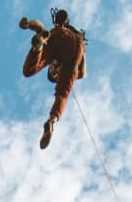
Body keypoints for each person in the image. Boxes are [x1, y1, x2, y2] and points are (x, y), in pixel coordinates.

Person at [19, 8, 86, 149]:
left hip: (66, 41)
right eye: (55, 74)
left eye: (53, 72)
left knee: (30, 70)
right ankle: (51, 121)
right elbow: (82, 73)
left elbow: (40, 27)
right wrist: (81, 52)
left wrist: (29, 24)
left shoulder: (54, 52)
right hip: (75, 46)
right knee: (62, 93)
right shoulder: (69, 71)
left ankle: (38, 47)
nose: (55, 71)